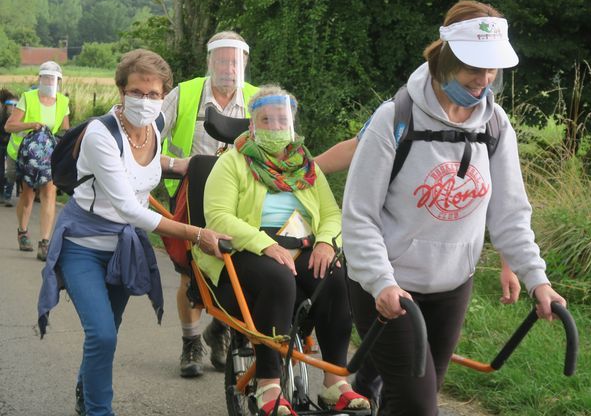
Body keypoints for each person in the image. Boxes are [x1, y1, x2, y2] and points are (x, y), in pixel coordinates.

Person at [341, 0, 567, 416]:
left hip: (452, 286)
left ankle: (369, 385)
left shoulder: (495, 126)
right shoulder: (395, 119)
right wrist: (381, 281)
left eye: (492, 70)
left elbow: (511, 215)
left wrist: (538, 280)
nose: (484, 81)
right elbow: (359, 216)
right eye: (474, 69)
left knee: (413, 399)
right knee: (418, 405)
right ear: (446, 59)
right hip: (390, 285)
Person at [36, 49, 230, 416]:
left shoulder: (155, 127)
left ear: (163, 95)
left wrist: (185, 164)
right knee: (102, 334)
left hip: (123, 248)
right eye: (137, 92)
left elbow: (148, 157)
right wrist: (197, 234)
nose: (145, 100)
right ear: (121, 91)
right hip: (84, 246)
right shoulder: (100, 134)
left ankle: (85, 388)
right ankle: (98, 410)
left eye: (154, 94)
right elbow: (128, 207)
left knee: (109, 330)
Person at [193, 86, 370, 415]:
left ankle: (335, 382)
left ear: (292, 124)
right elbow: (218, 217)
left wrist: (325, 243)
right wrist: (266, 244)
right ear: (253, 125)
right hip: (247, 249)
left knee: (334, 276)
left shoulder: (305, 167)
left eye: (281, 120)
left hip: (302, 247)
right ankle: (268, 385)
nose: (275, 127)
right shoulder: (232, 163)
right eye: (266, 120)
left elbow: (331, 214)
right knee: (277, 277)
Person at [160, 30, 259, 377]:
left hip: (244, 200)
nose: (228, 66)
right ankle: (191, 343)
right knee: (191, 271)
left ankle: (220, 330)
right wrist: (175, 165)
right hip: (193, 193)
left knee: (241, 267)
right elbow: (144, 143)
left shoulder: (258, 99)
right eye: (221, 58)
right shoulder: (184, 94)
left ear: (244, 63)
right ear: (210, 61)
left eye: (235, 60)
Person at [4, 62, 70, 259]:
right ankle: (23, 232)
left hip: (49, 156)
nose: (49, 81)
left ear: (59, 81)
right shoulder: (28, 97)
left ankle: (45, 242)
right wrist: (31, 125)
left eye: (53, 78)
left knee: (50, 193)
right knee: (28, 196)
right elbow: (9, 126)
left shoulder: (63, 102)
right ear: (39, 78)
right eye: (45, 77)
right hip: (24, 155)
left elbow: (66, 131)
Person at [0, 88, 18, 206]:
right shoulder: (1, 115)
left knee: (12, 171)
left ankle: (7, 194)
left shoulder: (20, 116)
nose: (13, 107)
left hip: (14, 146)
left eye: (16, 105)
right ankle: (2, 193)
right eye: (10, 105)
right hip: (2, 144)